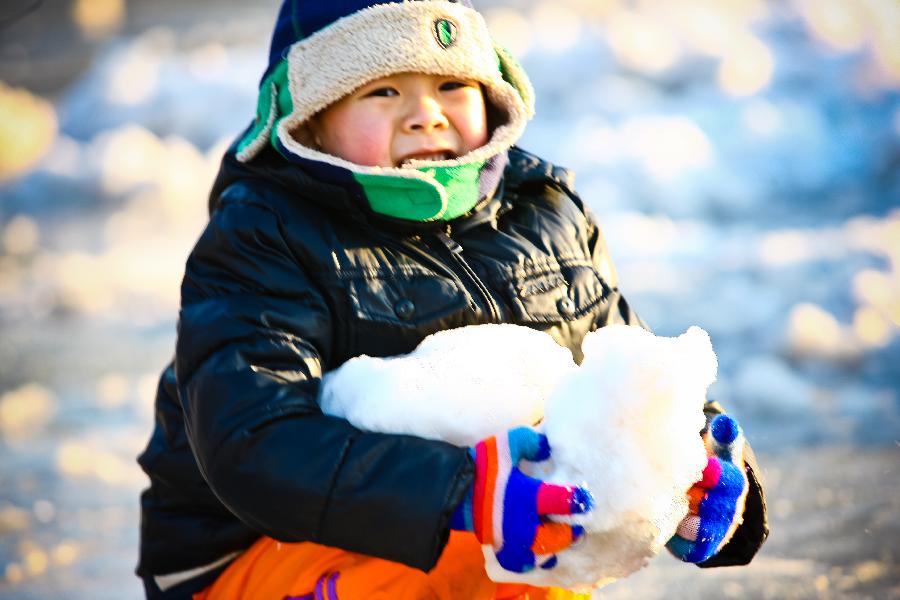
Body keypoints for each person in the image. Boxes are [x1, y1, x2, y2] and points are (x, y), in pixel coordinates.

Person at [136, 1, 768, 598]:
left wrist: (698, 465)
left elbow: (631, 381)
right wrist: (460, 493)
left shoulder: (543, 212)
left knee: (541, 531)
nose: (425, 115)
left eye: (451, 87)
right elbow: (253, 442)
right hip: (258, 553)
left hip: (489, 542)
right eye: (383, 91)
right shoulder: (264, 236)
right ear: (310, 122)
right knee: (497, 548)